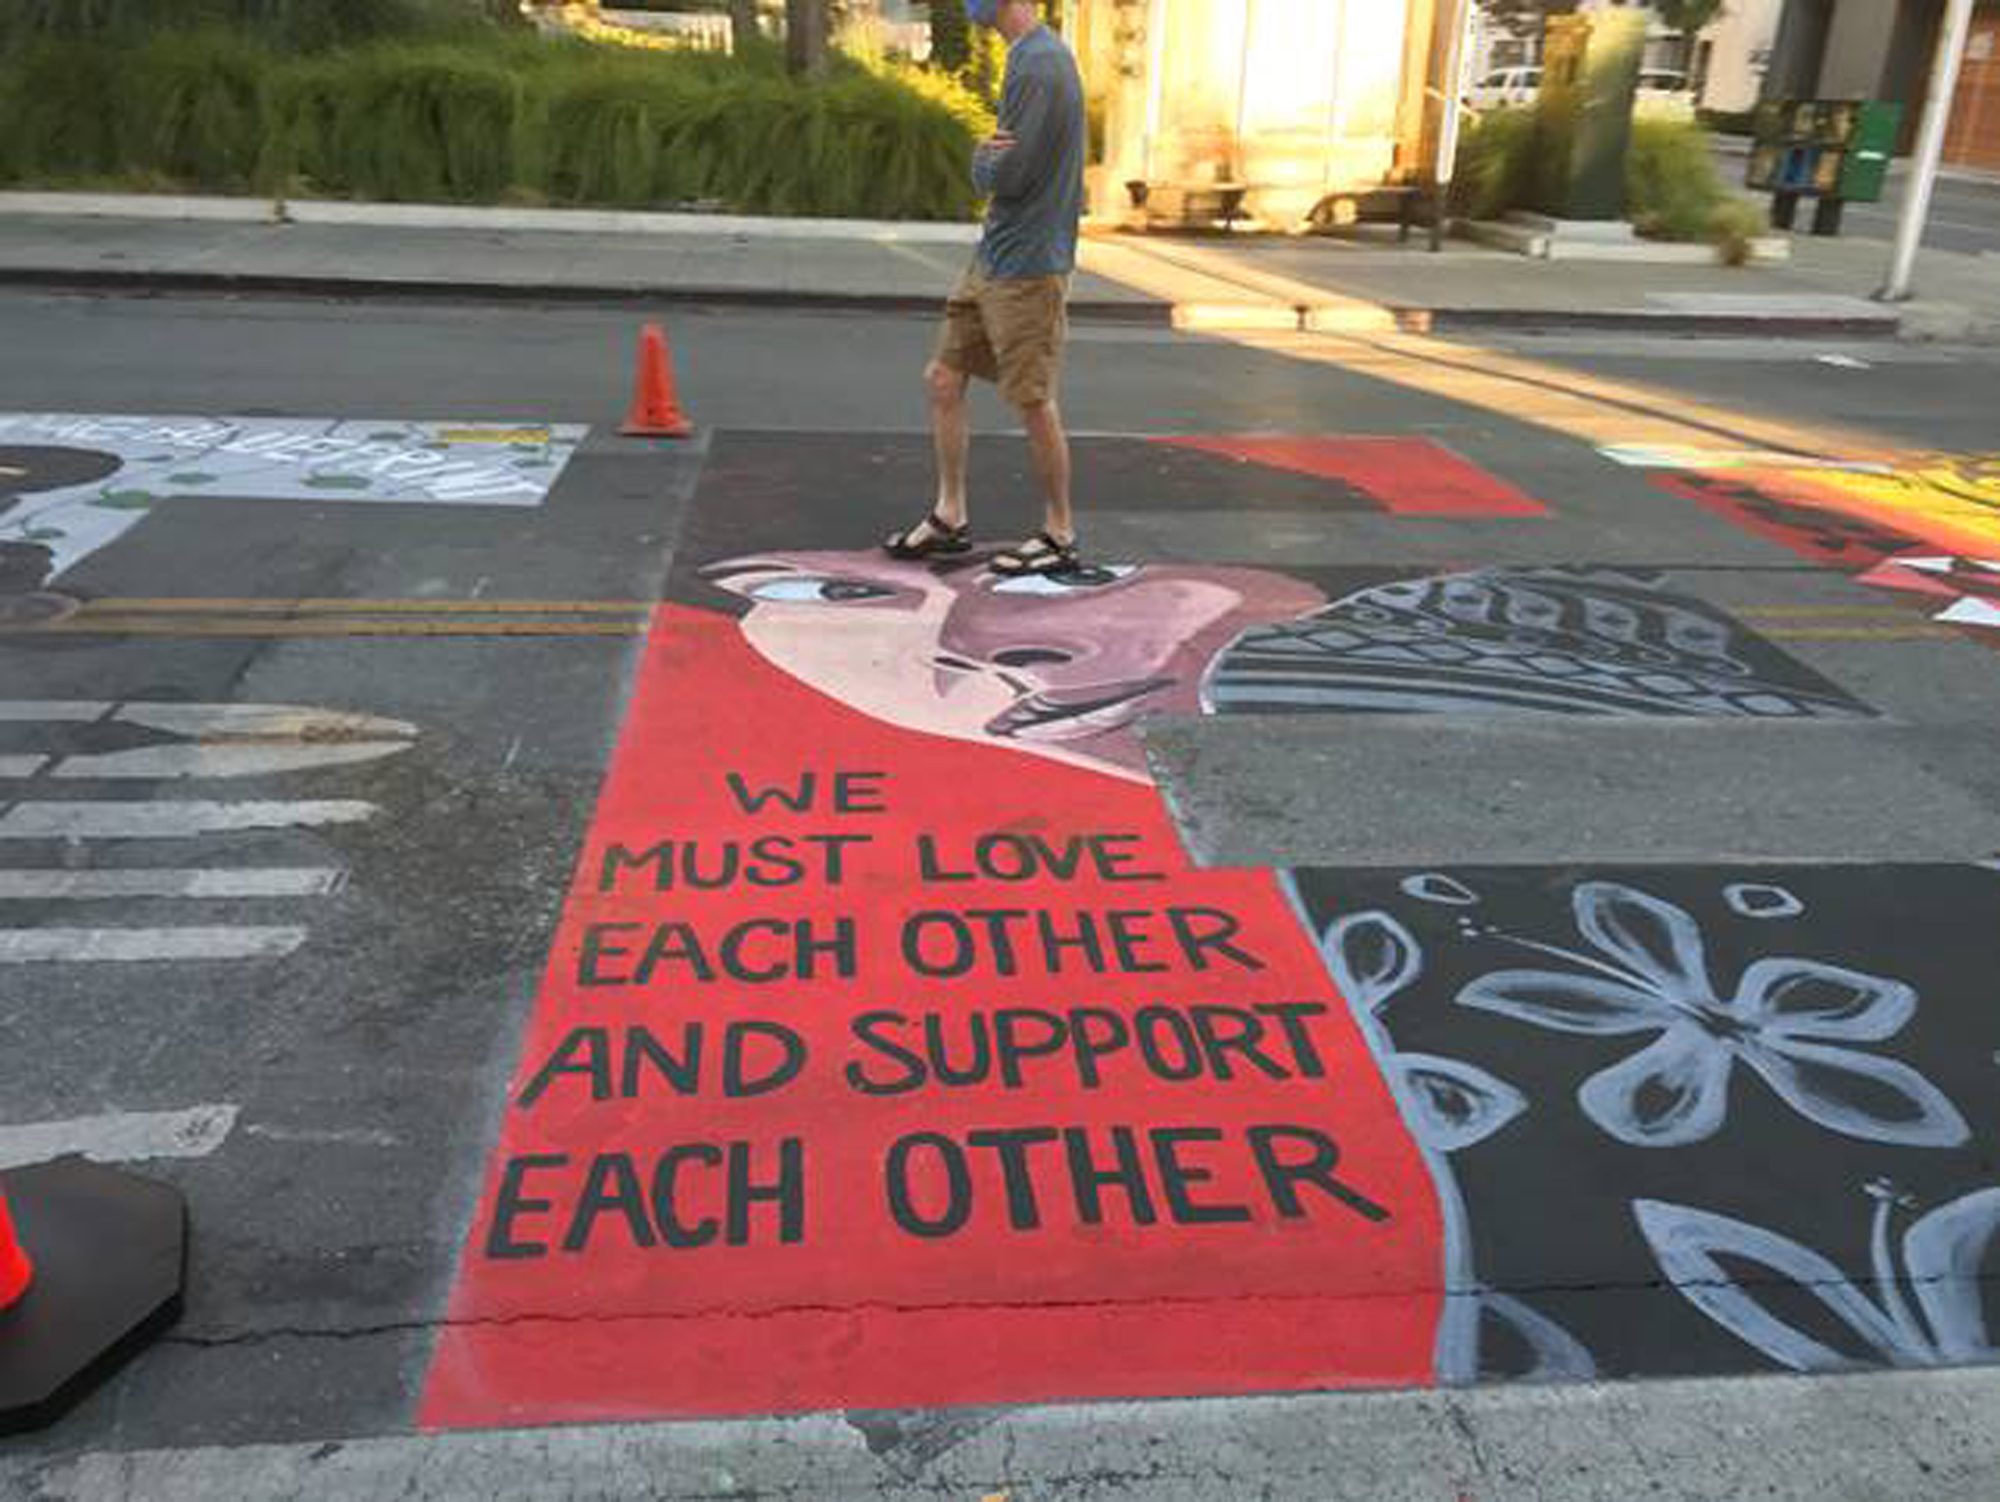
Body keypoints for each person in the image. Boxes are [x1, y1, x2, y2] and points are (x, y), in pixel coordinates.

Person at [884, 0, 1087, 578]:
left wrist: (981, 161)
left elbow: (1008, 174)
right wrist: (990, 160)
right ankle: (951, 517)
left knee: (1033, 402)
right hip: (994, 255)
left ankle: (1059, 533)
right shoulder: (1025, 56)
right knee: (944, 379)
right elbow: (1004, 164)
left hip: (1027, 265)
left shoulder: (1040, 65)